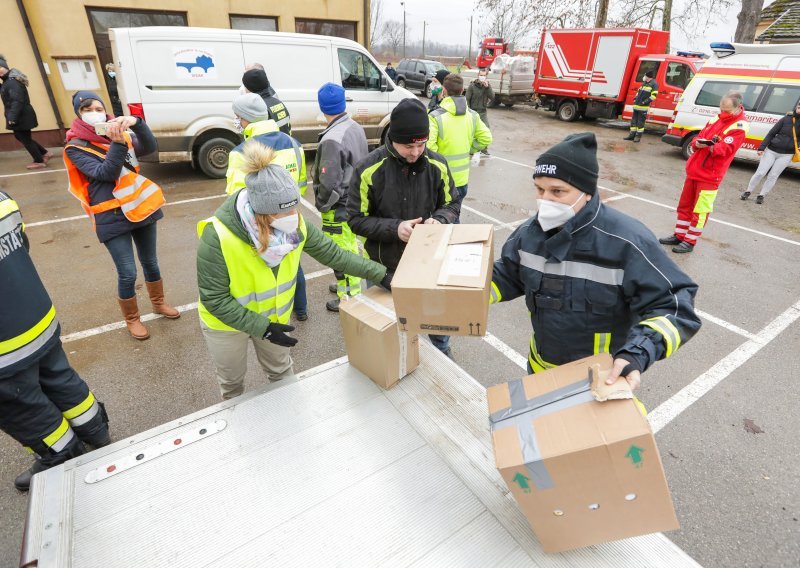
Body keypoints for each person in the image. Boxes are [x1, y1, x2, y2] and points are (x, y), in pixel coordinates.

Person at [490, 132, 701, 391]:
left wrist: (637, 352)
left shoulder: (626, 242)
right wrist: (466, 289)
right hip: (540, 371)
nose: (545, 200)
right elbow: (508, 275)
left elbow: (675, 305)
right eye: (539, 189)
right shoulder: (529, 234)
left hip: (600, 380)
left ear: (587, 192)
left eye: (558, 191)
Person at [196, 140, 390, 399]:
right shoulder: (217, 236)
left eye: (294, 206)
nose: (293, 215)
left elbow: (335, 255)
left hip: (273, 320)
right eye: (284, 210)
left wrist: (381, 274)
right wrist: (262, 327)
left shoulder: (296, 225)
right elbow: (215, 299)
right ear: (261, 213)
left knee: (282, 375)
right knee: (232, 385)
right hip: (226, 327)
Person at [0, 191, 110, 491]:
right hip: (36, 314)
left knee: (22, 405)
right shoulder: (2, 197)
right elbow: (21, 244)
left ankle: (61, 454)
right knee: (58, 377)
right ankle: (96, 430)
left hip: (5, 345)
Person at [347, 98, 460, 358]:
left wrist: (440, 220)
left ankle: (443, 357)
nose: (416, 152)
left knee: (438, 328)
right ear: (392, 138)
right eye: (409, 145)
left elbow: (453, 203)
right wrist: (395, 228)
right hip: (383, 267)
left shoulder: (438, 165)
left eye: (421, 144)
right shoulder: (368, 169)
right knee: (389, 334)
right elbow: (354, 219)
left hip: (428, 266)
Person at [63, 90, 179, 340]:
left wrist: (138, 123)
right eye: (87, 109)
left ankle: (158, 303)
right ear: (78, 114)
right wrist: (117, 143)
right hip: (110, 214)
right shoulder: (75, 146)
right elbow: (105, 172)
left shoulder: (119, 131)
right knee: (127, 271)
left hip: (138, 205)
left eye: (98, 108)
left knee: (150, 261)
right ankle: (132, 319)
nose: (94, 113)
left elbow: (149, 147)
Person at [227, 93, 309, 320]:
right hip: (291, 215)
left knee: (265, 268)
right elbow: (301, 183)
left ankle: (269, 316)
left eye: (237, 117)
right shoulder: (294, 143)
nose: (237, 121)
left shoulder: (240, 152)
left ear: (245, 119)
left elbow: (236, 195)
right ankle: (301, 311)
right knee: (293, 262)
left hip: (259, 222)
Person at [659, 91, 749, 253]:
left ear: (737, 108)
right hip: (695, 170)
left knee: (700, 211)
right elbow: (700, 135)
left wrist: (709, 146)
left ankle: (690, 241)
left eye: (726, 110)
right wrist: (696, 143)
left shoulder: (740, 126)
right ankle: (679, 235)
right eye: (721, 109)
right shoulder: (717, 118)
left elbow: (726, 149)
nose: (722, 113)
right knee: (685, 206)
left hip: (710, 175)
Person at [312, 83, 369, 312]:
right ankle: (345, 285)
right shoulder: (354, 126)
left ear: (322, 107)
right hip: (354, 198)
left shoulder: (331, 139)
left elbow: (329, 181)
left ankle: (350, 295)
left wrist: (322, 204)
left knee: (340, 252)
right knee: (350, 246)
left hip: (339, 205)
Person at [428, 73, 492, 204]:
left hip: (441, 180)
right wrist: (470, 147)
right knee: (454, 218)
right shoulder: (472, 115)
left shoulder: (435, 117)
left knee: (439, 220)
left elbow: (429, 147)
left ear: (444, 90)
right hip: (462, 180)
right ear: (462, 90)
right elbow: (486, 138)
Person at [741, 98, 800, 204]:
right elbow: (771, 133)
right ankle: (748, 191)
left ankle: (761, 195)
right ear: (796, 107)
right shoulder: (786, 119)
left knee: (773, 176)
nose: (799, 109)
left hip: (787, 154)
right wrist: (761, 148)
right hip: (771, 150)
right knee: (760, 172)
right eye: (799, 107)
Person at [0, 55, 52, 170]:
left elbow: (17, 101)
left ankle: (39, 160)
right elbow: (4, 90)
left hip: (20, 116)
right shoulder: (8, 81)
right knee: (23, 137)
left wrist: (12, 117)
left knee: (24, 138)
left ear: (4, 67)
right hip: (21, 115)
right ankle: (44, 153)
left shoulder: (12, 82)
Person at [242, 67, 292, 135]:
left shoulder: (257, 108)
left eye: (244, 86)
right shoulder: (277, 102)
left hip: (270, 145)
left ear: (249, 88)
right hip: (286, 142)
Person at [466, 69, 495, 155]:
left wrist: (487, 87)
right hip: (473, 111)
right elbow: (467, 99)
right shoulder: (472, 86)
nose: (482, 77)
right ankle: (471, 149)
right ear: (478, 75)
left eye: (484, 75)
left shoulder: (487, 86)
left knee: (486, 129)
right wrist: (468, 111)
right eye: (481, 75)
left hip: (483, 112)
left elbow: (492, 97)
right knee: (471, 131)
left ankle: (484, 149)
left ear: (486, 76)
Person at [624, 70, 658, 143]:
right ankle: (631, 135)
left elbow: (654, 96)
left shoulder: (654, 84)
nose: (644, 77)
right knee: (633, 122)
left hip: (643, 107)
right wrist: (635, 99)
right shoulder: (644, 83)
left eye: (645, 76)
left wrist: (644, 102)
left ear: (648, 77)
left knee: (640, 123)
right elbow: (638, 92)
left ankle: (637, 137)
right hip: (636, 106)